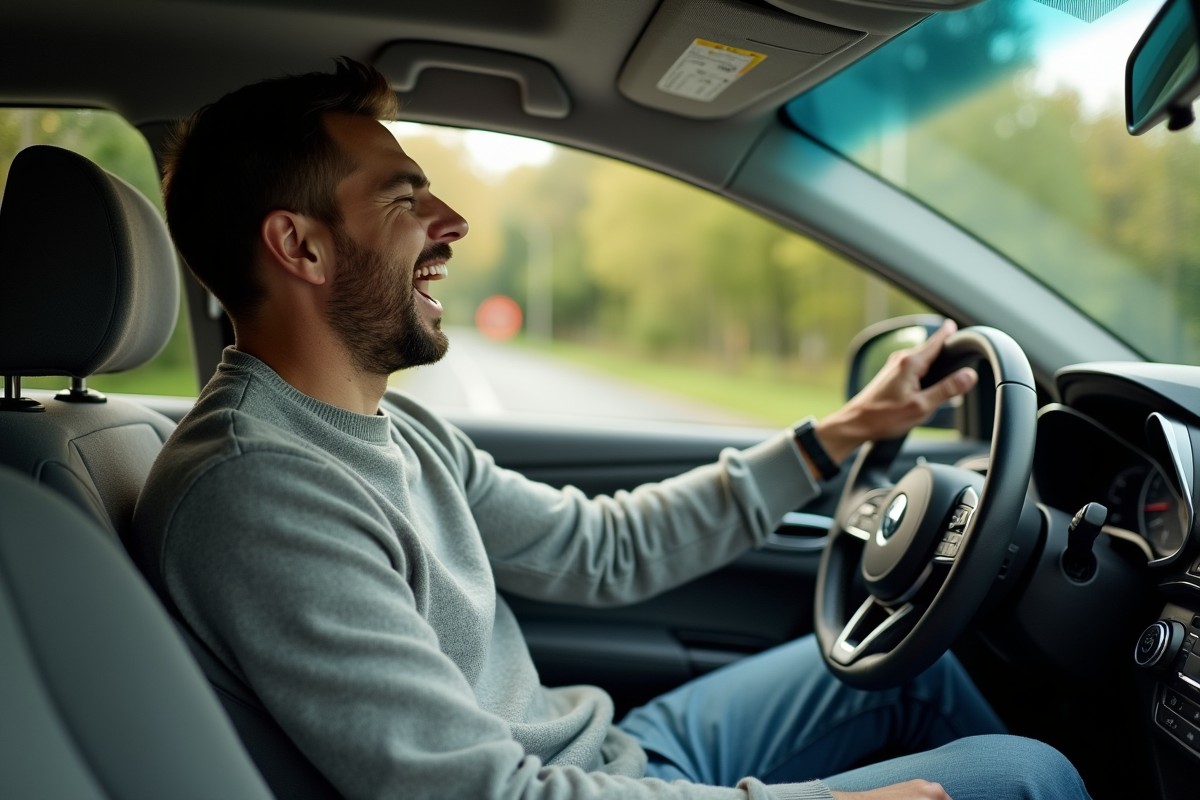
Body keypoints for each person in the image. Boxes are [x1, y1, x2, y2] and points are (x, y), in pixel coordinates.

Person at [128, 59, 1091, 800]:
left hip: (615, 757)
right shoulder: (257, 491)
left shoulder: (397, 431)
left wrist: (839, 433)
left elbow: (604, 549)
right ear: (299, 245)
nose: (450, 220)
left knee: (913, 667)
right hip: (581, 785)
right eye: (404, 197)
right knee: (1024, 776)